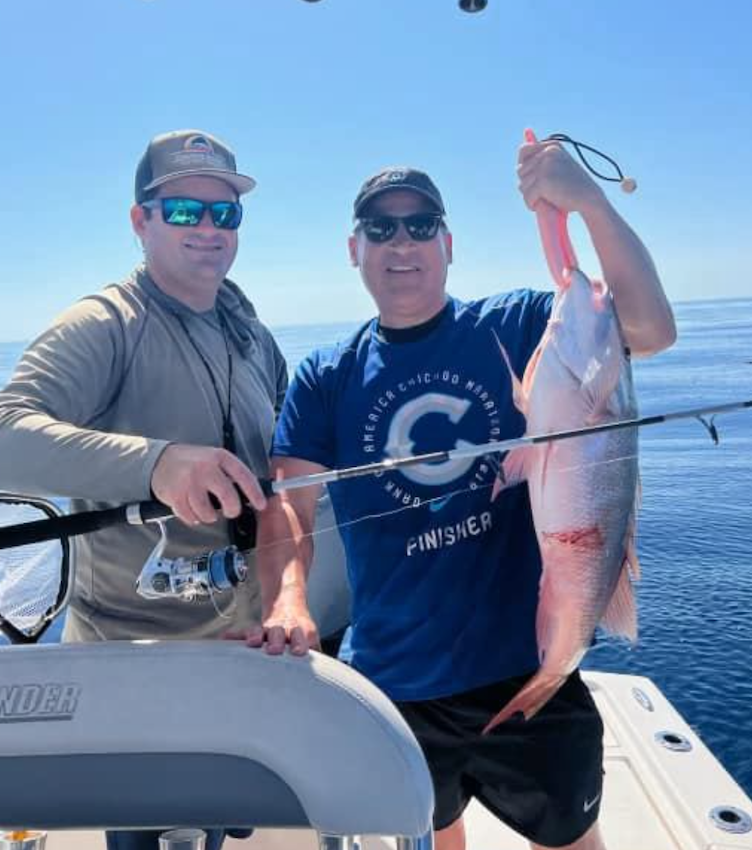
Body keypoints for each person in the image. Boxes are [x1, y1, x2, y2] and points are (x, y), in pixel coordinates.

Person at [250, 137, 677, 850]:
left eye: (420, 225)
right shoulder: (327, 374)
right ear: (353, 249)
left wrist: (589, 201)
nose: (401, 242)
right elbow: (288, 504)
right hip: (395, 675)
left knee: (571, 838)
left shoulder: (513, 323)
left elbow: (649, 328)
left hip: (523, 656)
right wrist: (287, 598)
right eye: (380, 228)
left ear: (448, 244)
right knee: (434, 835)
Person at [0, 129, 287, 850]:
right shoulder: (106, 323)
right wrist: (159, 464)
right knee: (138, 830)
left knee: (232, 817)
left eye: (224, 213)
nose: (207, 229)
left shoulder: (253, 336)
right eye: (183, 211)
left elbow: (290, 470)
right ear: (141, 221)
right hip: (133, 657)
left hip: (244, 646)